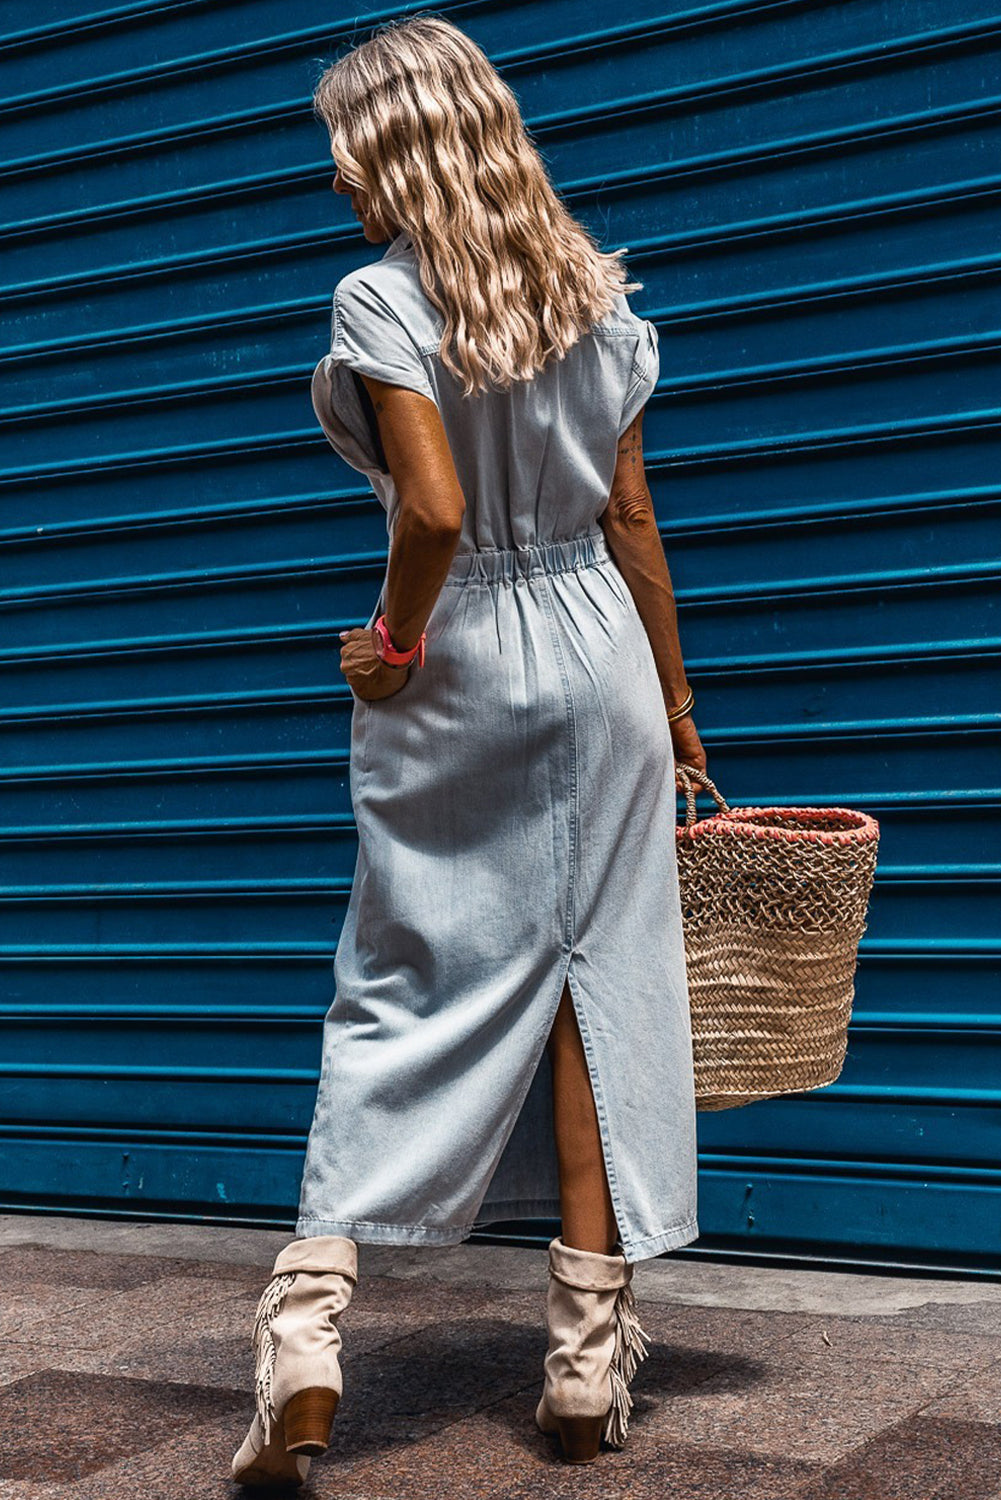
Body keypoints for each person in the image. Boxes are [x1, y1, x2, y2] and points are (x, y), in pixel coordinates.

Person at [231, 13, 708, 1489]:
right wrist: (678, 709)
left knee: (400, 971)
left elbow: (433, 509)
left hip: (461, 653)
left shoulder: (381, 299)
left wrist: (392, 640)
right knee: (593, 985)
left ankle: (306, 1331)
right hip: (601, 652)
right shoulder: (593, 299)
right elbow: (631, 521)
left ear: (400, 149)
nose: (335, 178)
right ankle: (583, 1359)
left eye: (346, 148)